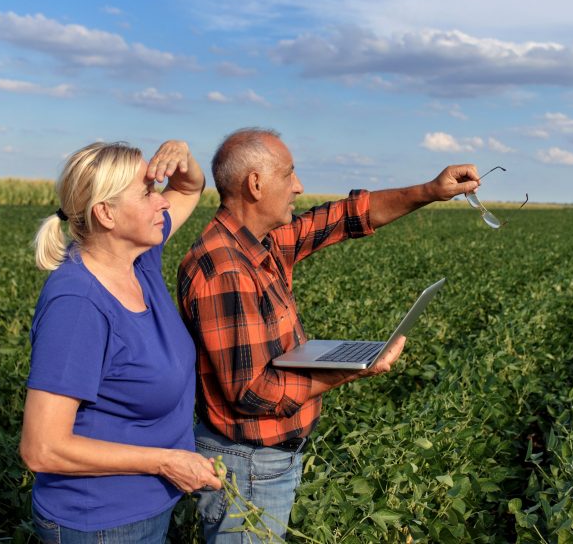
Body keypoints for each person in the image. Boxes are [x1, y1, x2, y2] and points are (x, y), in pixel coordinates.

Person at [177, 127, 481, 541]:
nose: (298, 187)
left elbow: (344, 217)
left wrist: (430, 189)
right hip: (248, 465)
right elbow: (254, 392)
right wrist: (351, 367)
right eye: (289, 175)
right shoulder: (224, 268)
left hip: (265, 462)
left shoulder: (262, 242)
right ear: (255, 184)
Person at [20, 140, 221, 543]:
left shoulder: (137, 260)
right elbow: (41, 448)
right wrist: (165, 462)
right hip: (100, 522)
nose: (160, 202)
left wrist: (184, 160)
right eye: (146, 192)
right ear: (106, 213)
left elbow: (187, 189)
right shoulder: (78, 304)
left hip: (143, 510)